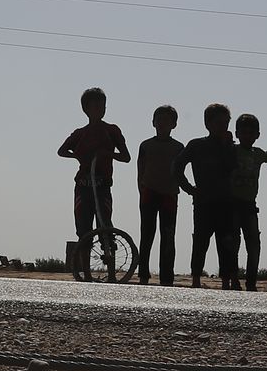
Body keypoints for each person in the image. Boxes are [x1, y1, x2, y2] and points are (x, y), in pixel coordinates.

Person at [58, 87, 130, 272]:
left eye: (103, 105)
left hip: (103, 186)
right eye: (96, 106)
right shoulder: (80, 133)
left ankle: (112, 269)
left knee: (105, 225)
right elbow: (62, 151)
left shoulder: (111, 130)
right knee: (83, 228)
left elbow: (126, 156)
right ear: (86, 109)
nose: (100, 109)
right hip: (83, 186)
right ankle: (86, 271)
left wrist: (107, 154)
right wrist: (78, 156)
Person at [176, 103, 239, 289]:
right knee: (201, 241)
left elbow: (232, 168)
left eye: (226, 122)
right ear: (208, 123)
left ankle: (226, 281)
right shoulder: (197, 145)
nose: (223, 126)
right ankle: (196, 279)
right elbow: (177, 166)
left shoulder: (230, 147)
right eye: (219, 122)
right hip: (204, 202)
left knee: (227, 243)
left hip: (226, 202)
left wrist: (227, 144)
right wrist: (189, 188)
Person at [135, 105, 184, 287]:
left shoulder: (179, 147)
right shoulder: (146, 145)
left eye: (167, 120)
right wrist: (141, 191)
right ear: (153, 122)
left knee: (168, 236)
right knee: (147, 235)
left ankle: (166, 277)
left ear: (174, 124)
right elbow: (140, 170)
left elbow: (180, 172)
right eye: (159, 120)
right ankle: (143, 275)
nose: (162, 123)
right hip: (149, 193)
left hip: (169, 195)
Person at [228, 113, 267, 291]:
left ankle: (251, 281)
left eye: (251, 133)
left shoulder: (259, 154)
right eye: (244, 132)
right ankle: (234, 279)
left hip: (249, 205)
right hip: (232, 204)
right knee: (233, 243)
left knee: (253, 244)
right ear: (237, 133)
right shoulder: (232, 150)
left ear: (257, 135)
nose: (247, 136)